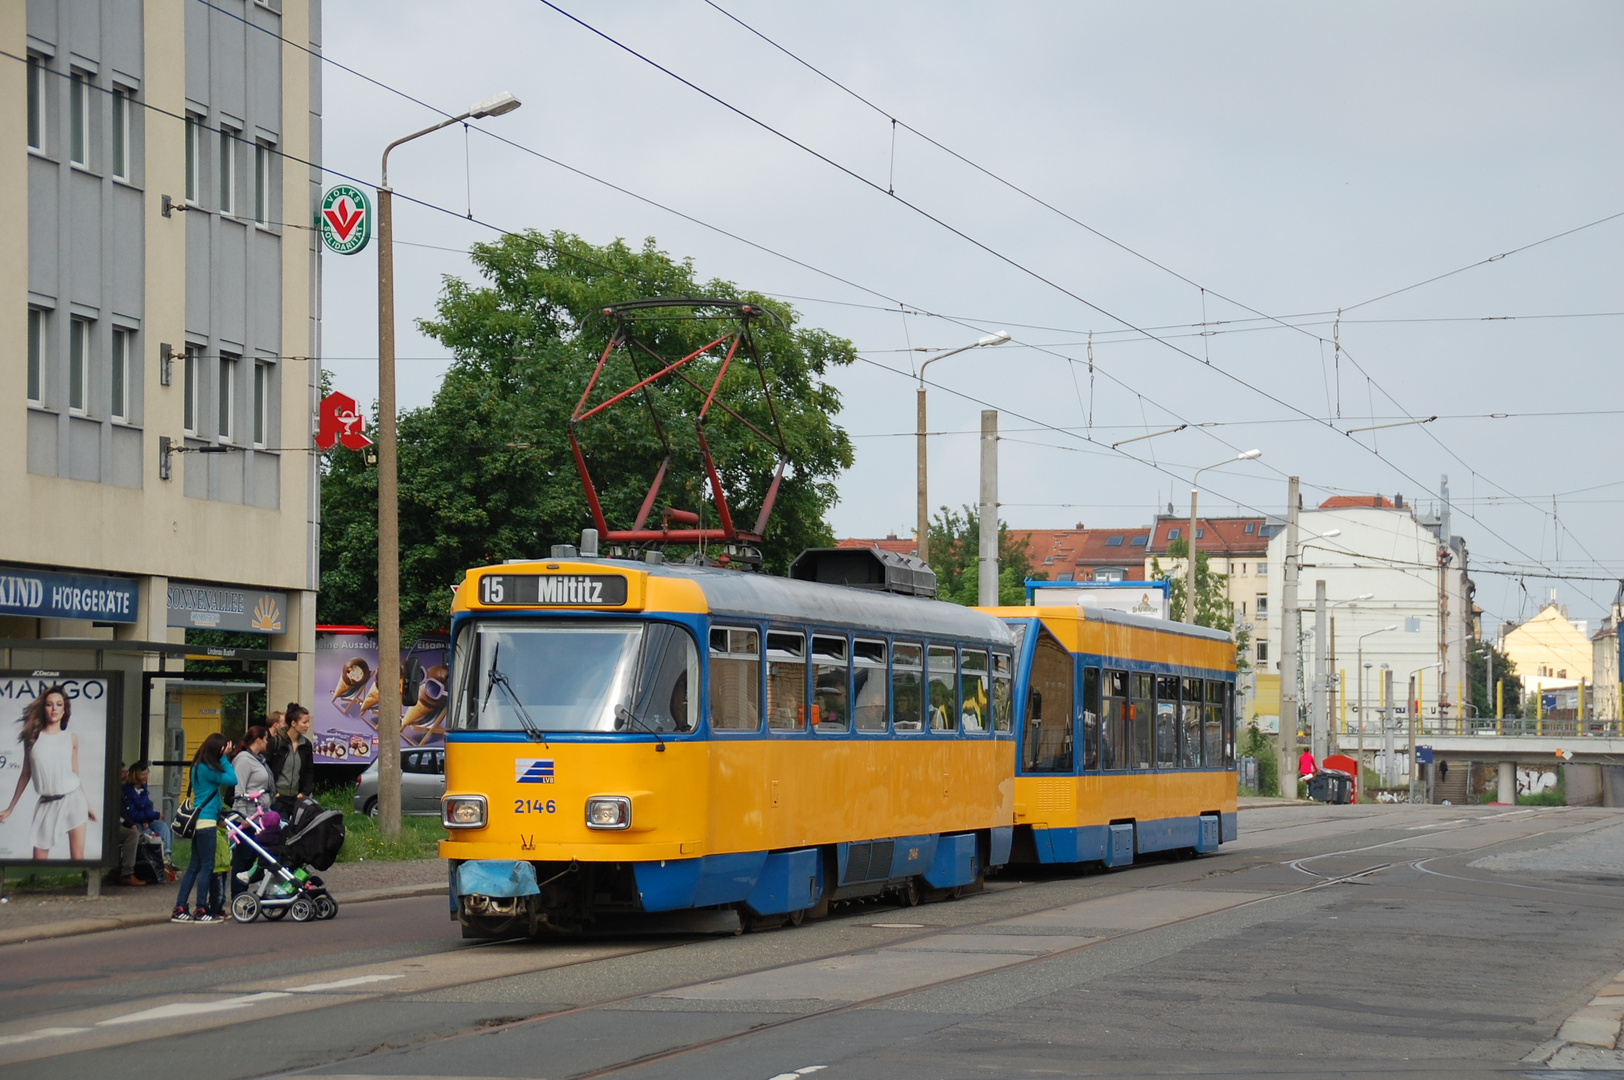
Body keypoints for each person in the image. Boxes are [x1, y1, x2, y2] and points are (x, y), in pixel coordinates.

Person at [0, 684, 97, 860]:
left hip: (74, 800)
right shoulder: (32, 739)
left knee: (77, 857)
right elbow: (25, 774)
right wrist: (10, 808)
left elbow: (75, 773)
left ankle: (80, 888)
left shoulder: (71, 738)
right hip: (47, 803)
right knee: (39, 859)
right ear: (43, 708)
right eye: (49, 704)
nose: (54, 709)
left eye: (59, 704)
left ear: (64, 710)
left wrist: (88, 805)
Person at [171, 733, 236, 924]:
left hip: (201, 822)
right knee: (207, 866)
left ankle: (181, 907)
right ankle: (200, 908)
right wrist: (224, 758)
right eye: (223, 748)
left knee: (195, 866)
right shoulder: (207, 769)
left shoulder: (198, 765)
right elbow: (232, 780)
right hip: (206, 824)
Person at [228, 726, 272, 898]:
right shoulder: (244, 760)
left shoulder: (259, 759)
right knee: (244, 856)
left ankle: (254, 887)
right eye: (266, 738)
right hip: (249, 816)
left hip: (260, 815)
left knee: (258, 853)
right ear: (258, 740)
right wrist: (243, 817)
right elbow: (239, 789)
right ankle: (238, 893)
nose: (268, 742)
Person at [120, 760, 172, 884]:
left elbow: (147, 806)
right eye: (144, 774)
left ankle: (167, 856)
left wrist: (147, 818)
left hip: (145, 820)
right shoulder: (128, 791)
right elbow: (132, 813)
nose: (146, 777)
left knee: (163, 827)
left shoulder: (143, 789)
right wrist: (154, 815)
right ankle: (158, 863)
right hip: (134, 822)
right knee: (149, 834)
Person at [266, 704, 314, 817]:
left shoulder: (306, 745)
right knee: (281, 829)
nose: (308, 725)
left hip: (297, 798)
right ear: (293, 723)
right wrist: (273, 792)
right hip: (278, 797)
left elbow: (309, 771)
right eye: (304, 722)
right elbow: (267, 768)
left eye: (308, 722)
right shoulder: (275, 742)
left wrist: (305, 792)